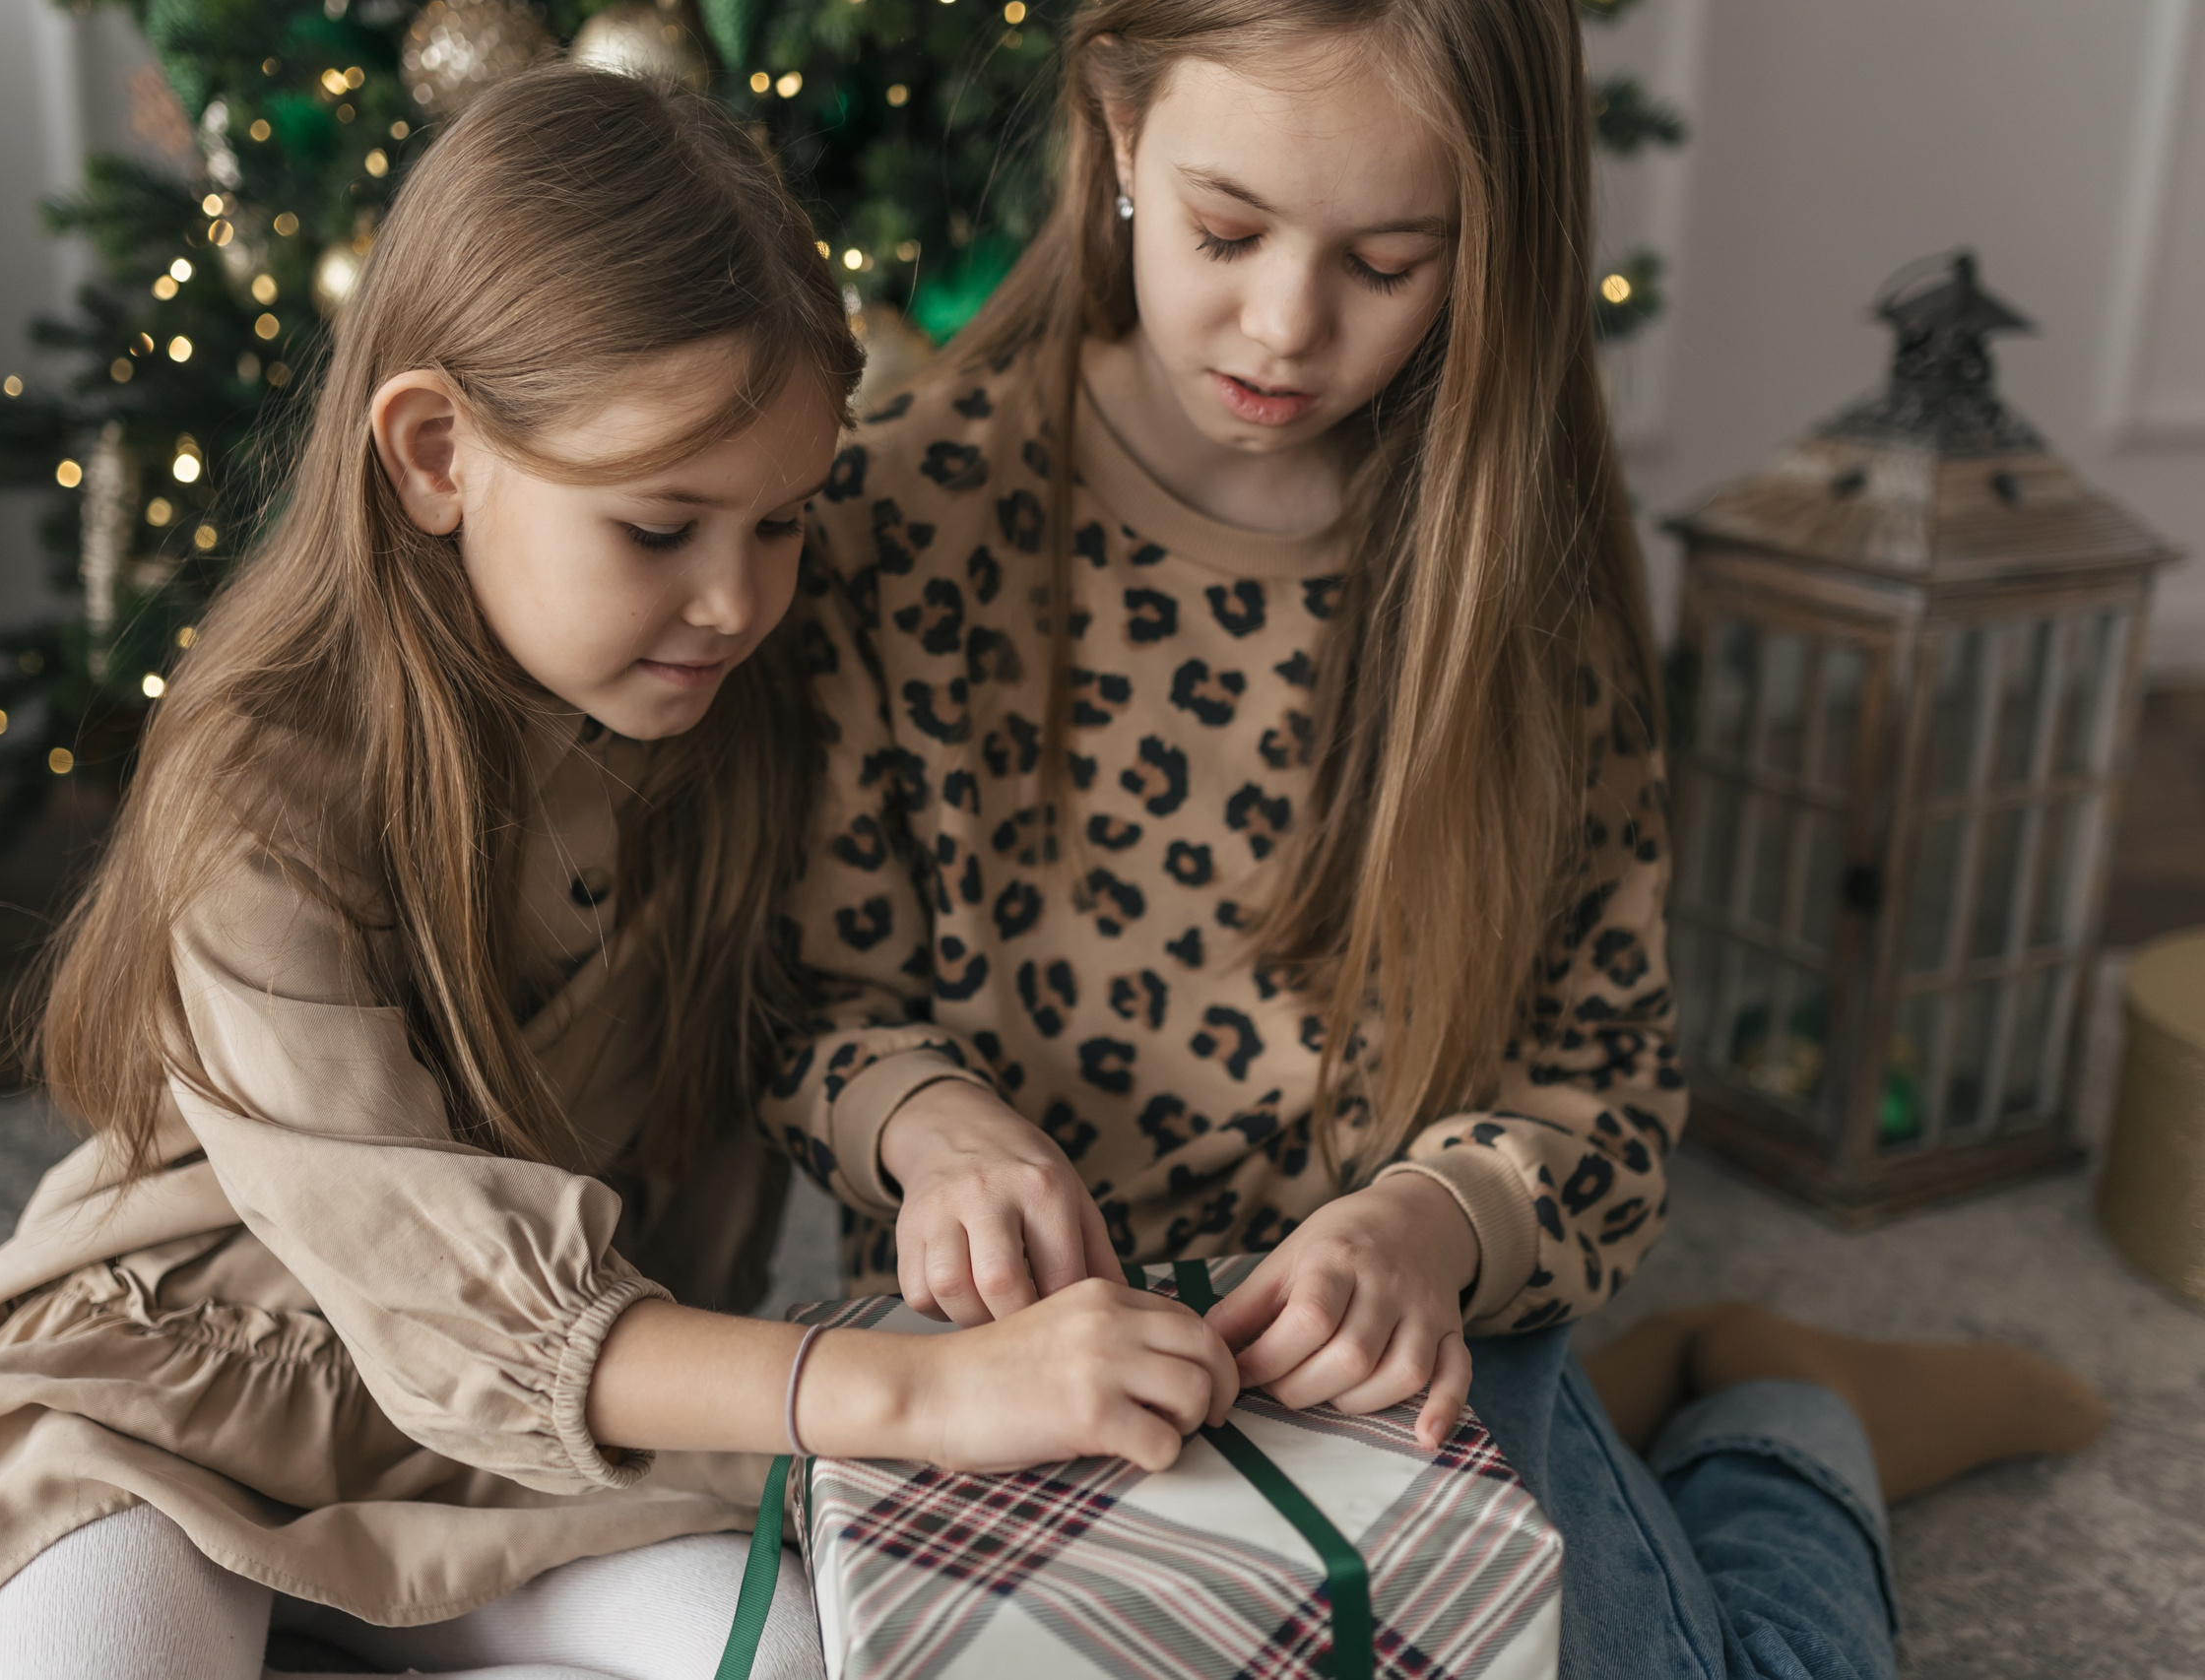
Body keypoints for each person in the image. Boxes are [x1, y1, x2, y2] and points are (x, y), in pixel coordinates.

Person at [0, 65, 1247, 1680]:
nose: (736, 599)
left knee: (790, 1653)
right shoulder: (260, 774)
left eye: (782, 523)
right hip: (186, 1399)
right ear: (438, 451)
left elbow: (803, 1006)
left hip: (537, 1457)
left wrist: (925, 1123)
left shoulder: (739, 699)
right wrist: (921, 1393)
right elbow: (448, 1286)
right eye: (659, 529)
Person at [767, 0, 2108, 1673]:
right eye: (1225, 231)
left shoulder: (1516, 574)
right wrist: (933, 1126)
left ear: (1489, 242)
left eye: (1390, 261)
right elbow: (796, 1001)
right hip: (1015, 1361)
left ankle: (1782, 1410)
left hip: (1419, 1361)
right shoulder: (896, 515)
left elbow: (1606, 1086)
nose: (1284, 325)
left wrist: (1433, 1224)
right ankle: (1640, 1422)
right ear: (1117, 134)